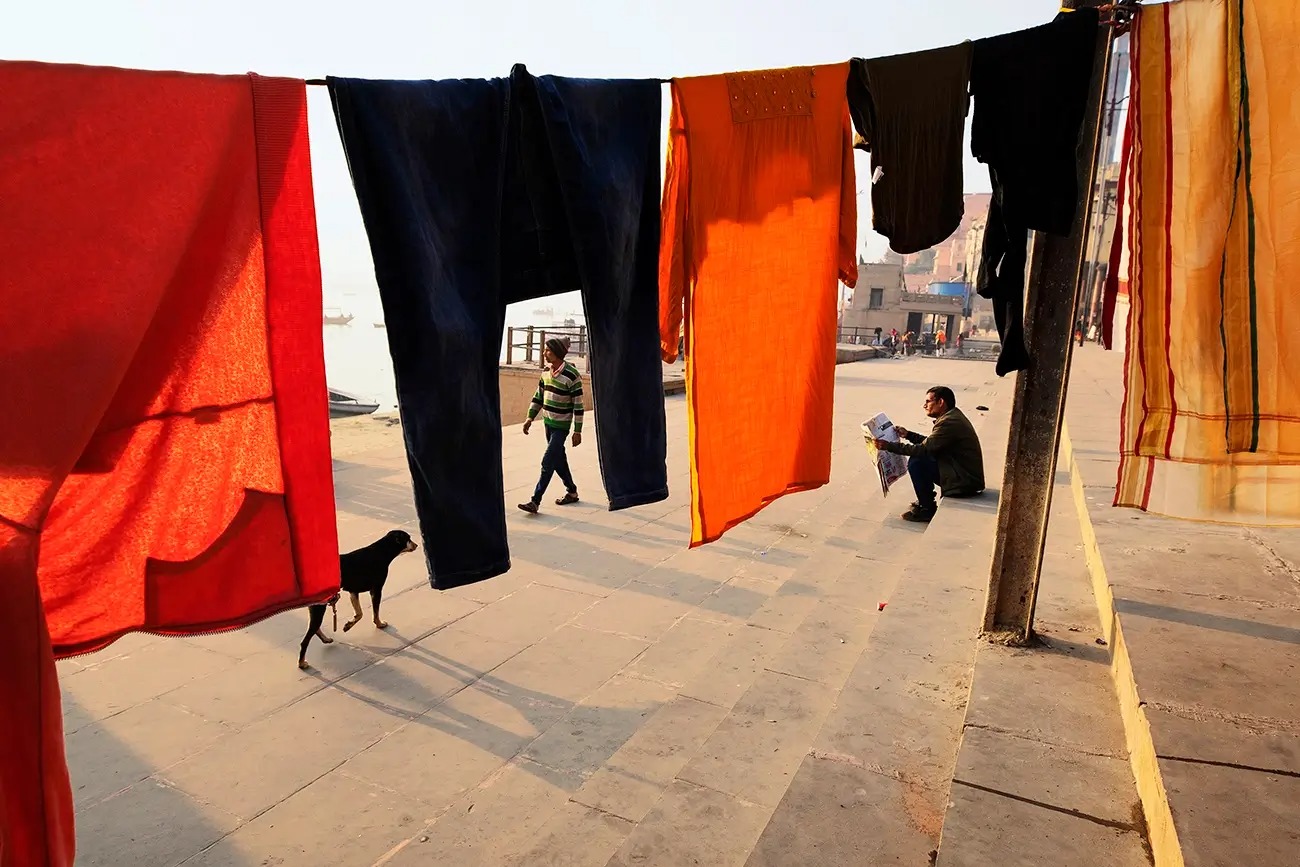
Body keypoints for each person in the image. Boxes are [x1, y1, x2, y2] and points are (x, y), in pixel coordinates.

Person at [874, 385, 984, 523]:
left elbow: (924, 449)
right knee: (921, 458)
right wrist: (908, 435)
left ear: (941, 402)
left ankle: (927, 508)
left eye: (928, 401)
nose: (924, 405)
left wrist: (889, 446)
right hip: (962, 473)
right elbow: (933, 443)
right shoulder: (952, 416)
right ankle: (926, 501)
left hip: (963, 481)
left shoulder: (949, 422)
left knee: (917, 461)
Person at [519, 337, 584, 514]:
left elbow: (578, 406)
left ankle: (535, 501)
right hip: (548, 423)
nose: (544, 353)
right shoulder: (546, 372)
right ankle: (572, 491)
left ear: (557, 352)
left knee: (548, 461)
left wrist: (577, 431)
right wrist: (529, 418)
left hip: (561, 426)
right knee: (559, 460)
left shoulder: (572, 375)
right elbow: (538, 397)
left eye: (547, 350)